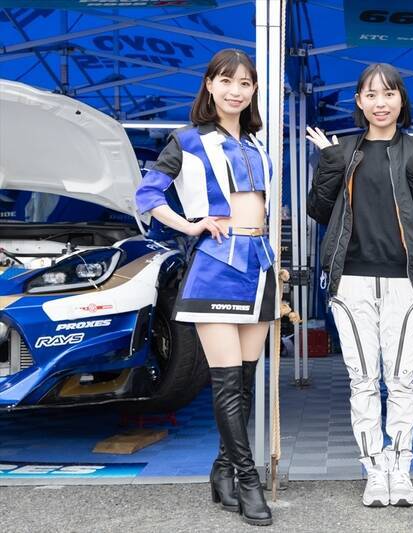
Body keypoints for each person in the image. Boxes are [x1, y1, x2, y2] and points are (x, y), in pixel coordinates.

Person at [135, 49, 275, 527]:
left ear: (253, 91)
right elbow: (147, 194)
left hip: (260, 264)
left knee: (246, 380)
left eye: (245, 83)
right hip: (216, 264)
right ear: (210, 85)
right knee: (227, 380)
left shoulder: (257, 145)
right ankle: (247, 479)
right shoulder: (187, 140)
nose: (236, 91)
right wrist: (189, 225)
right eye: (227, 81)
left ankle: (222, 470)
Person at [306, 63, 413, 508]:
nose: (380, 103)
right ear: (359, 102)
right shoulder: (343, 151)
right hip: (351, 282)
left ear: (401, 100)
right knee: (362, 381)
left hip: (405, 282)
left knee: (401, 380)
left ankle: (400, 470)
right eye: (371, 94)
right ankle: (374, 470)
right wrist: (329, 164)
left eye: (388, 94)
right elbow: (317, 210)